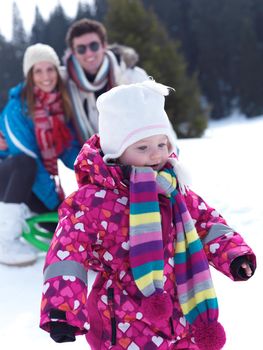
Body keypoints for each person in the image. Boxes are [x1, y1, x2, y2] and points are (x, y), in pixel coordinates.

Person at [39, 80, 256, 350]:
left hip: (181, 309)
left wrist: (234, 253)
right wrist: (63, 311)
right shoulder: (92, 201)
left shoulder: (173, 188)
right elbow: (67, 253)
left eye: (162, 143)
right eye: (142, 148)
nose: (156, 154)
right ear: (116, 153)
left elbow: (206, 223)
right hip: (122, 322)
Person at [0, 43, 81, 266]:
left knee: (62, 229)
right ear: (29, 76)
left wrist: (94, 170)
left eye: (50, 69)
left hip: (32, 183)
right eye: (38, 71)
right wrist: (57, 205)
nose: (46, 77)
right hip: (9, 179)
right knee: (24, 163)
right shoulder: (16, 110)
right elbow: (30, 164)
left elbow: (69, 150)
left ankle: (26, 213)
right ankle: (5, 239)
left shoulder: (58, 109)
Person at [63, 18, 148, 144]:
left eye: (94, 46)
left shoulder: (133, 77)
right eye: (81, 49)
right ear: (74, 53)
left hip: (137, 154)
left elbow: (156, 121)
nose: (89, 53)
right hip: (89, 160)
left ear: (104, 46)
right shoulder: (64, 84)